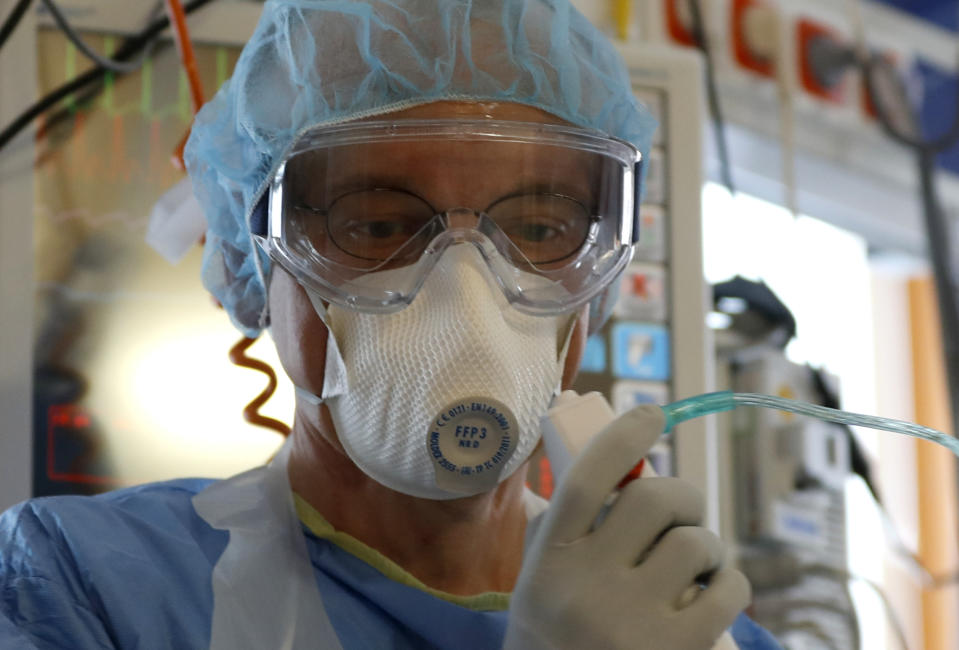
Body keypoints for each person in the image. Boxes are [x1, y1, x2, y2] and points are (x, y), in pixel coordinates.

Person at [0, 1, 782, 648]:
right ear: (255, 262)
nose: (466, 296)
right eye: (374, 224)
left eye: (539, 229)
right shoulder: (83, 589)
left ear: (596, 280)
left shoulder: (700, 634)